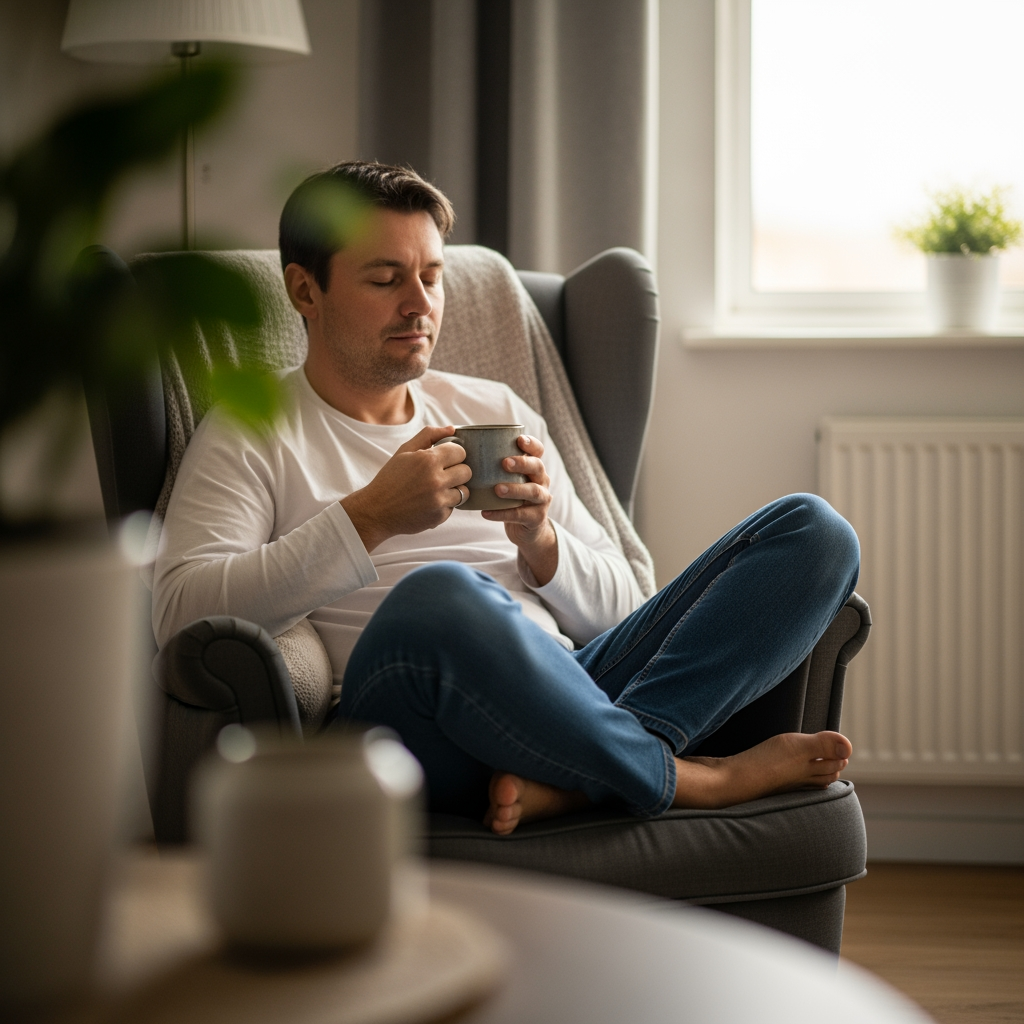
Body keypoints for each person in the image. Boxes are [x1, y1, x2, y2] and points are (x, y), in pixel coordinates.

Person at [153, 161, 860, 836]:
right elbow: (181, 613)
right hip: (413, 720)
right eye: (385, 279)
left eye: (432, 277)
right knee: (444, 596)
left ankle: (583, 778)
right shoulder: (254, 429)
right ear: (306, 292)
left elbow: (624, 609)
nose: (419, 304)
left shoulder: (492, 408)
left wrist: (542, 543)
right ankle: (695, 778)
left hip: (570, 688)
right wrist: (369, 518)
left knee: (814, 532)